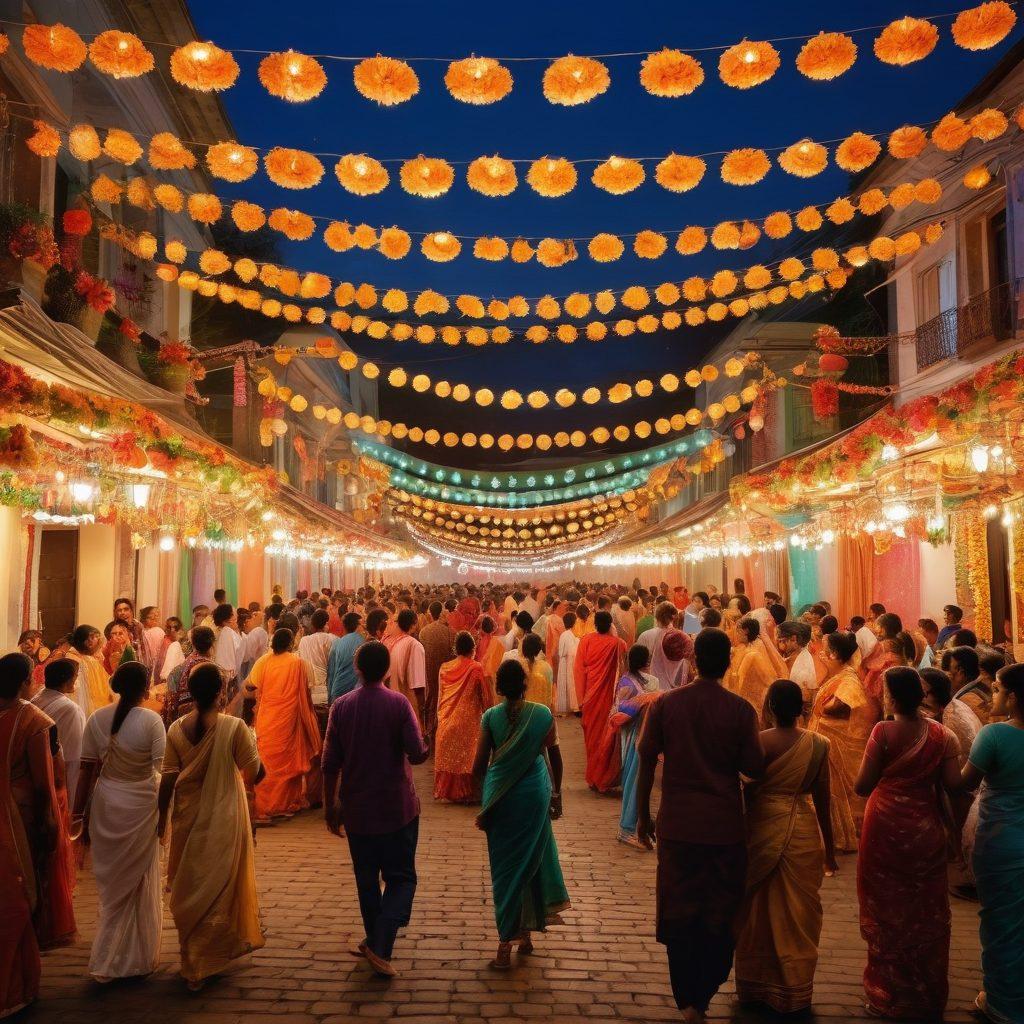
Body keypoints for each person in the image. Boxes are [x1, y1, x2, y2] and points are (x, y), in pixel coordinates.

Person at [637, 628, 764, 1024]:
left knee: (679, 911)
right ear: (728, 663)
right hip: (724, 827)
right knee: (720, 912)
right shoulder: (741, 711)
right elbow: (754, 767)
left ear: (693, 661)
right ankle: (703, 994)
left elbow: (645, 760)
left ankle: (689, 997)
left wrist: (641, 815)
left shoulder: (666, 704)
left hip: (678, 825)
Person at [854, 666, 961, 1020]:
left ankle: (887, 995)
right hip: (925, 829)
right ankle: (925, 994)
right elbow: (953, 785)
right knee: (924, 910)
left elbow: (862, 786)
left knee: (886, 910)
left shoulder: (883, 732)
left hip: (883, 827)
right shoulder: (943, 735)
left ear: (892, 697)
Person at [322, 640, 429, 979]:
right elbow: (416, 753)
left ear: (357, 669)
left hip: (358, 809)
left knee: (366, 879)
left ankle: (375, 940)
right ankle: (380, 943)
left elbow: (329, 763)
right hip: (397, 807)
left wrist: (329, 805)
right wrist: (428, 743)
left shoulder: (341, 707)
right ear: (386, 670)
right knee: (402, 877)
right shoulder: (398, 704)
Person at [158, 663, 265, 990]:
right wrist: (253, 742)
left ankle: (195, 955)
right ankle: (207, 957)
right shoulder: (234, 728)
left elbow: (168, 778)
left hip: (186, 817)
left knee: (190, 883)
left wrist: (160, 820)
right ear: (220, 693)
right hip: (224, 816)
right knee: (219, 884)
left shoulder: (176, 728)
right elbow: (256, 772)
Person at [734, 679, 835, 1013]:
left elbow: (745, 789)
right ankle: (794, 987)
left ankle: (756, 984)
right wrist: (830, 851)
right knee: (798, 916)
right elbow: (823, 800)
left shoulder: (760, 742)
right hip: (803, 830)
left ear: (771, 708)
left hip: (762, 827)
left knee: (757, 911)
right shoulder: (818, 744)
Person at [473, 659, 569, 970]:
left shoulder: (490, 717)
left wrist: (489, 796)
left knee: (505, 870)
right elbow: (555, 757)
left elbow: (478, 767)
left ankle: (506, 943)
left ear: (499, 687)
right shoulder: (541, 715)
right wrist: (557, 795)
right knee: (531, 861)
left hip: (501, 800)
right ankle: (525, 934)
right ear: (525, 685)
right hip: (534, 796)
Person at [72, 662, 165, 982]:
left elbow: (86, 770)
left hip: (107, 805)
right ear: (145, 688)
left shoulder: (97, 718)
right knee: (138, 882)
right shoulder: (151, 721)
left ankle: (111, 955)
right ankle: (133, 956)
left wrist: (77, 813)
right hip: (141, 805)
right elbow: (162, 770)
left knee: (112, 887)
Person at [959, 663, 1024, 1024]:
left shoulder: (994, 735)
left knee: (1001, 924)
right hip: (1008, 837)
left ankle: (1003, 1004)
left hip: (1001, 842)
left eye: (997, 689)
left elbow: (963, 782)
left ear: (1012, 697)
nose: (993, 695)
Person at [0, 653, 59, 1018]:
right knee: (20, 900)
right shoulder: (32, 720)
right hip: (17, 820)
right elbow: (42, 783)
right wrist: (50, 822)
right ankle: (13, 988)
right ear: (25, 682)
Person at [808, 630, 881, 855]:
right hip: (829, 742)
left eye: (826, 652)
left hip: (839, 745)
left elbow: (839, 707)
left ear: (836, 655)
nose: (822, 655)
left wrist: (822, 708)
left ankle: (842, 836)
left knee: (835, 789)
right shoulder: (839, 675)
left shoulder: (848, 678)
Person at [248, 628, 321, 824]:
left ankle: (265, 805)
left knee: (267, 761)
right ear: (290, 643)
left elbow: (250, 684)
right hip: (289, 720)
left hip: (267, 720)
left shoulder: (264, 661)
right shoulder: (299, 663)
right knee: (289, 761)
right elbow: (309, 688)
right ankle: (285, 803)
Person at [434, 631, 494, 803]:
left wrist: (440, 720)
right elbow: (487, 700)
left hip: (445, 722)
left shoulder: (444, 668)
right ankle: (468, 793)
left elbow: (440, 697)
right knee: (469, 759)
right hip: (468, 725)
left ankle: (450, 793)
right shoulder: (476, 668)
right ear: (473, 649)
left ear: (456, 649)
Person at [612, 644, 660, 849]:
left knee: (635, 781)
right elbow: (620, 710)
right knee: (634, 782)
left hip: (637, 736)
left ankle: (633, 826)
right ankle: (627, 829)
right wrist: (643, 701)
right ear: (645, 661)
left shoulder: (632, 680)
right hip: (636, 737)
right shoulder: (633, 682)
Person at [575, 610, 627, 793]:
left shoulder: (586, 641)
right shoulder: (619, 644)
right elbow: (625, 671)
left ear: (595, 624)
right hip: (610, 700)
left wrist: (581, 699)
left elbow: (579, 671)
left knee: (592, 740)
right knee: (607, 738)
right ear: (611, 624)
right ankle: (604, 778)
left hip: (590, 698)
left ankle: (593, 778)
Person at [31, 658, 85, 808]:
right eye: (75, 676)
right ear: (68, 681)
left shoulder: (36, 699)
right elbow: (73, 758)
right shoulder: (70, 709)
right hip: (56, 777)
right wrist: (72, 802)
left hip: (34, 773)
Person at [725, 616, 786, 724]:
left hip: (755, 703)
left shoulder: (752, 653)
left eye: (738, 631)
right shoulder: (746, 648)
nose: (736, 634)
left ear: (745, 632)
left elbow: (738, 679)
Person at [418, 602, 454, 745]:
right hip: (445, 672)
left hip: (428, 671)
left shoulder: (423, 632)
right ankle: (439, 730)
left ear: (430, 613)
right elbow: (452, 654)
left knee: (430, 699)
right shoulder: (449, 632)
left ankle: (428, 730)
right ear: (441, 613)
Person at [637, 602, 689, 691]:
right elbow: (686, 665)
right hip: (677, 689)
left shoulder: (645, 635)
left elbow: (638, 664)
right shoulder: (682, 636)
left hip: (653, 687)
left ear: (656, 617)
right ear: (674, 617)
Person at [388, 609, 427, 724]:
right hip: (409, 707)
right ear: (414, 624)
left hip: (395, 704)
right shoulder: (414, 645)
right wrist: (421, 712)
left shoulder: (395, 643)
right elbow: (418, 685)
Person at [776, 620, 818, 711]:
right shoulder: (794, 655)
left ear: (793, 639)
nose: (779, 644)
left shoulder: (803, 664)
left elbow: (806, 700)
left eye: (781, 640)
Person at [944, 645, 992, 724]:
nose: (947, 675)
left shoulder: (964, 701)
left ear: (960, 672)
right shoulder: (983, 687)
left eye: (949, 670)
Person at [326, 611, 366, 704]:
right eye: (362, 624)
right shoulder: (363, 642)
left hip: (337, 692)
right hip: (356, 693)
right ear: (357, 626)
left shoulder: (336, 643)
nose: (364, 627)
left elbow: (331, 672)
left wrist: (330, 697)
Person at [298, 609, 333, 705]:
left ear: (312, 625)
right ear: (326, 624)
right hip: (327, 691)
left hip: (308, 692)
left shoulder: (304, 641)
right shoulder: (332, 639)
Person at [555, 612, 580, 714]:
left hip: (565, 662)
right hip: (568, 662)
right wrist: (578, 641)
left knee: (566, 683)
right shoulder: (568, 635)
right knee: (569, 683)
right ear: (573, 623)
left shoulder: (565, 634)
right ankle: (572, 707)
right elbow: (571, 651)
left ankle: (567, 706)